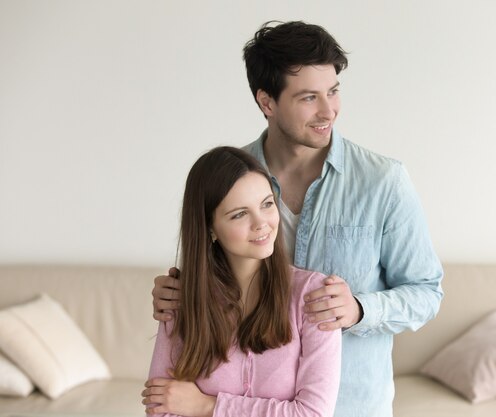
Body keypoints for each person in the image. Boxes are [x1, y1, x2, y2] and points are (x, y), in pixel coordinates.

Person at [148, 21, 443, 417]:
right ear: (267, 102)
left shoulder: (383, 182)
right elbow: (210, 268)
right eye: (308, 97)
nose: (328, 111)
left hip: (351, 406)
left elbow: (427, 292)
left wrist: (359, 309)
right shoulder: (231, 180)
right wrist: (179, 290)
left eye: (333, 91)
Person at [142, 146, 341, 416]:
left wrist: (207, 406)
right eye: (239, 214)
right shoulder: (179, 297)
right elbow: (162, 407)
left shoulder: (313, 297)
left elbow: (313, 413)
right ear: (210, 227)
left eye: (267, 204)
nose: (262, 223)